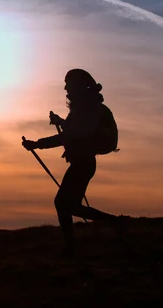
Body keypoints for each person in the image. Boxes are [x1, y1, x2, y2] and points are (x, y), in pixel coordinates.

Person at [22, 69, 128, 256]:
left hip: (84, 163)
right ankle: (110, 225)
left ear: (78, 86)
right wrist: (49, 135)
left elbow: (71, 134)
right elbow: (72, 133)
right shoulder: (85, 108)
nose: (65, 88)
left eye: (68, 84)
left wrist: (37, 144)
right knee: (69, 205)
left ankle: (75, 244)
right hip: (83, 162)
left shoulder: (87, 109)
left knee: (64, 204)